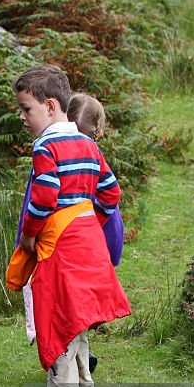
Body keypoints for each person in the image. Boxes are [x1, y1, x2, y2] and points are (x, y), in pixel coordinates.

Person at [6, 65, 131, 387]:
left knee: (58, 323)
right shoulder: (87, 144)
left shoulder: (46, 146)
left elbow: (44, 196)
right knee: (76, 323)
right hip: (88, 244)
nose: (22, 117)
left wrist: (29, 236)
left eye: (26, 109)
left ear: (49, 106)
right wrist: (89, 217)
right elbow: (111, 192)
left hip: (59, 249)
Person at [67, 93, 124, 267]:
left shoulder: (55, 151)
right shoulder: (94, 155)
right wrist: (93, 222)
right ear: (99, 132)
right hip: (98, 234)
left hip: (67, 235)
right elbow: (112, 193)